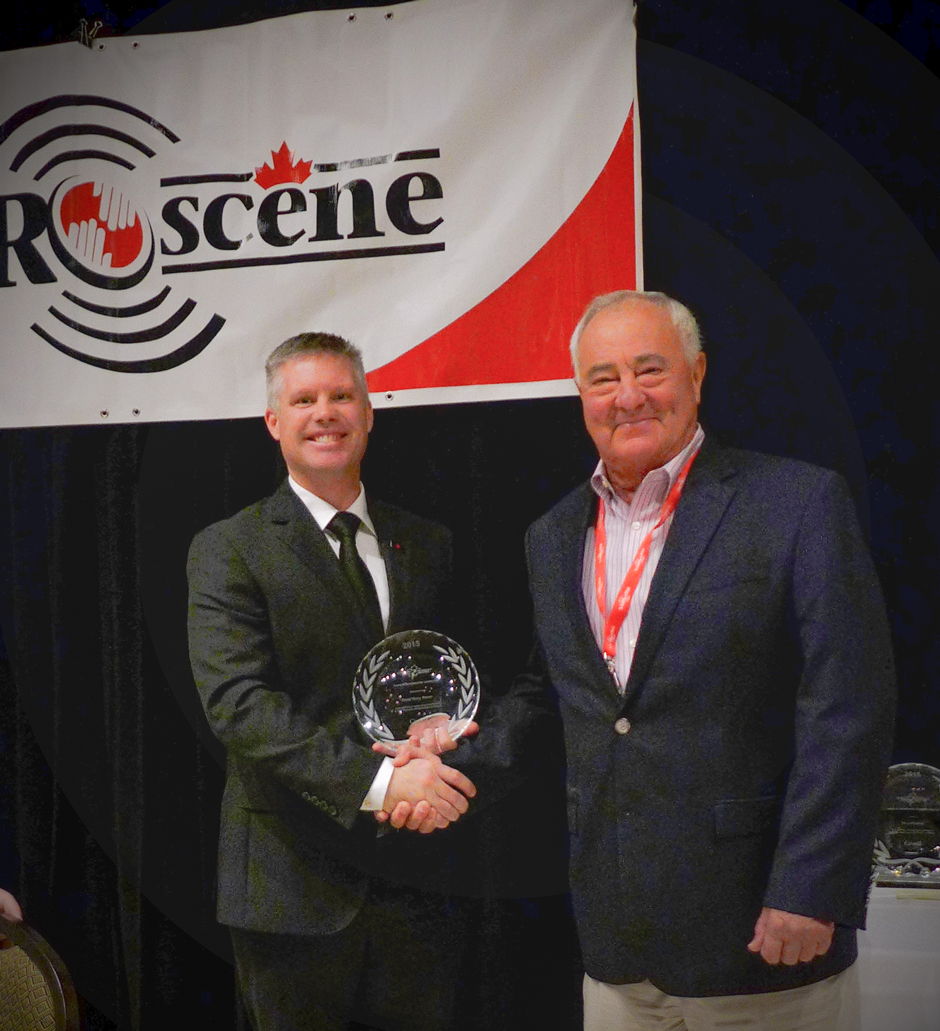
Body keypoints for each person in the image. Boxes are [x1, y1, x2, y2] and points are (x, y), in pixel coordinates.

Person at [520, 290, 895, 1030]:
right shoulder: (552, 533)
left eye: (649, 369)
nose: (627, 395)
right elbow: (552, 694)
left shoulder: (796, 502)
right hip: (617, 948)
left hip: (764, 940)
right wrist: (447, 748)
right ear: (580, 394)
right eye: (603, 377)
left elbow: (847, 705)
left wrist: (812, 886)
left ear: (697, 375)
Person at [186, 332, 478, 1031]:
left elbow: (460, 676)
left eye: (342, 395)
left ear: (370, 412)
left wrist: (439, 752)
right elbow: (240, 705)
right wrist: (380, 785)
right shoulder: (231, 547)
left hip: (418, 882)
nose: (325, 412)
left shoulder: (428, 541)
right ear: (274, 422)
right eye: (305, 399)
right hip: (292, 889)